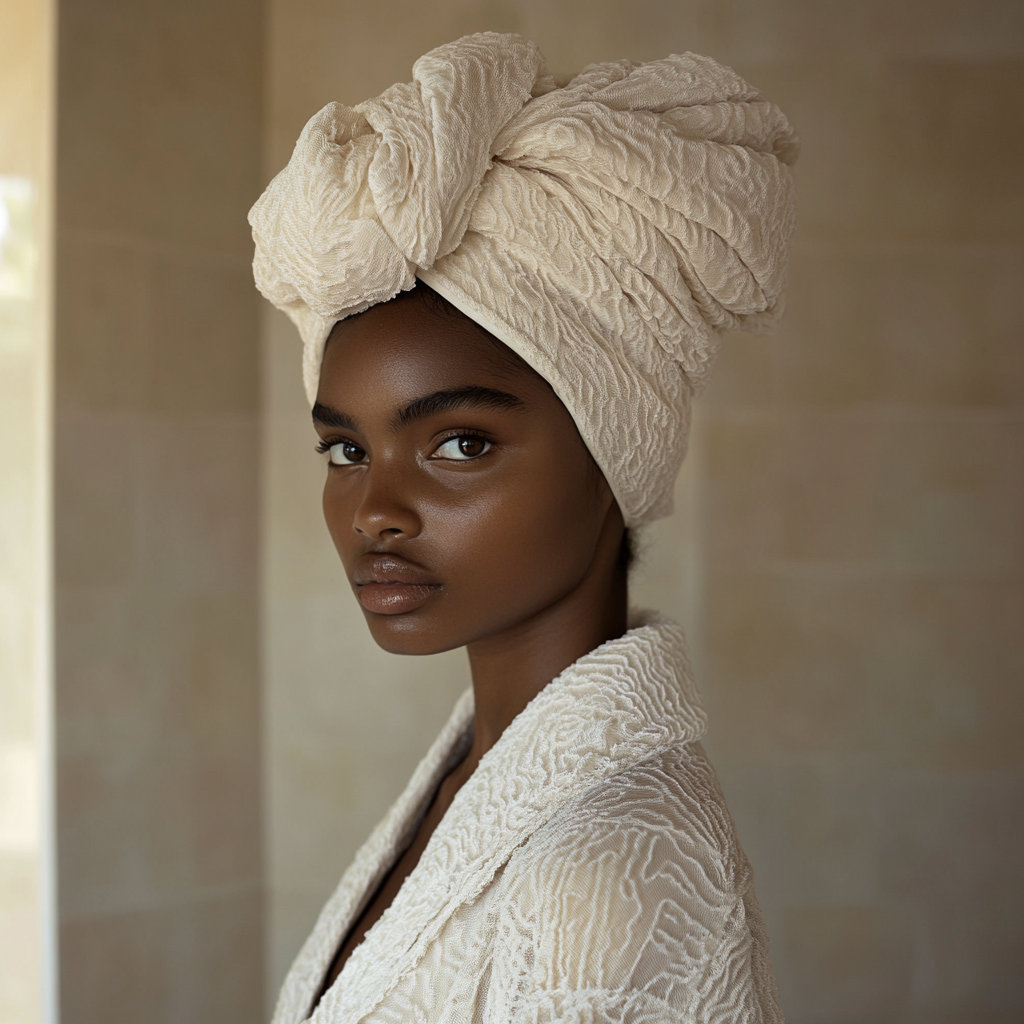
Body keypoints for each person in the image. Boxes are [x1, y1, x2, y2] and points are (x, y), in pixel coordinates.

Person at [249, 32, 798, 1024]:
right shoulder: (482, 773)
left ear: (612, 449)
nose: (374, 508)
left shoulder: (614, 877)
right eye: (346, 450)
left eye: (458, 443)